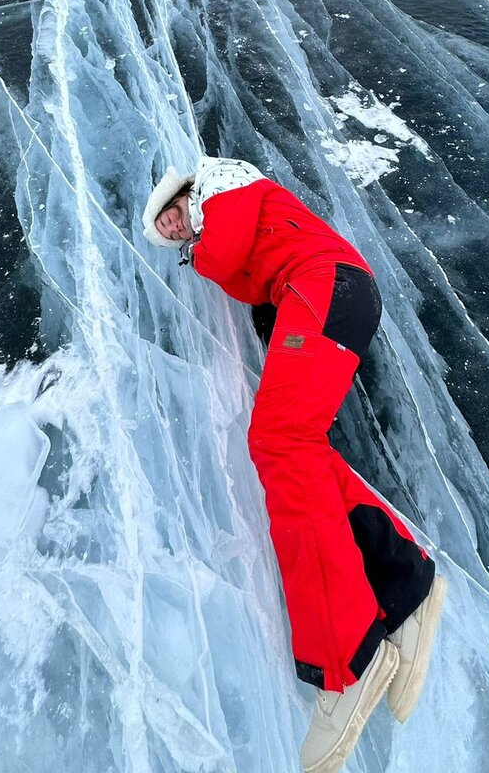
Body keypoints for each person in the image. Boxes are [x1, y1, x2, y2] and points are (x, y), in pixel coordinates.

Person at [143, 155, 446, 773]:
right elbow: (250, 280)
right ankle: (405, 584)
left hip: (323, 284)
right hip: (324, 289)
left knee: (279, 440)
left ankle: (347, 662)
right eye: (169, 232)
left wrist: (195, 250)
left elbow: (226, 259)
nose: (176, 230)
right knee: (298, 444)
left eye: (171, 217)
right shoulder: (233, 213)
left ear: (183, 193)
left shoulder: (222, 184)